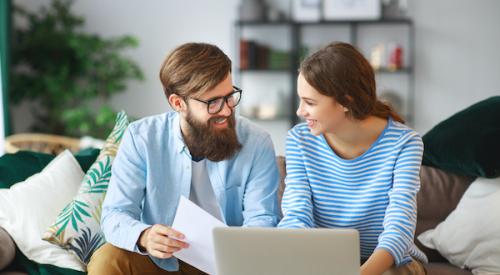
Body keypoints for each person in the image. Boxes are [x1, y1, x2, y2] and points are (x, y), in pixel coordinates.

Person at [88, 43, 280, 275]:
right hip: (161, 260)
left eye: (229, 97)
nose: (227, 111)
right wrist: (145, 236)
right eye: (213, 102)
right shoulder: (141, 138)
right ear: (178, 103)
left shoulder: (257, 142)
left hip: (225, 266)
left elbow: (263, 221)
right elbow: (114, 214)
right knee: (108, 259)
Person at [278, 42, 428, 275]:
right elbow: (297, 215)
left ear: (345, 102)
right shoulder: (300, 140)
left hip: (388, 263)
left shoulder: (405, 143)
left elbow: (399, 227)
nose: (300, 111)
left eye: (309, 103)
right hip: (325, 260)